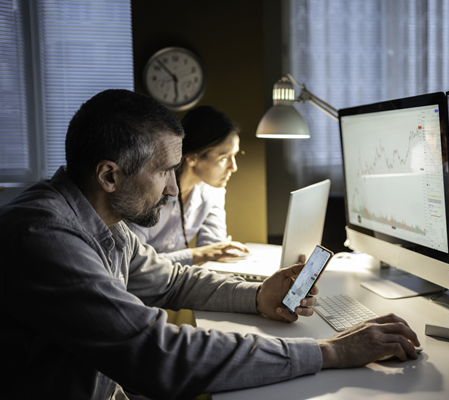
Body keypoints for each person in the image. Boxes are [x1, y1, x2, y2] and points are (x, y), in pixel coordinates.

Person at [0, 89, 420, 400]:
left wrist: (257, 296)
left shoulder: (104, 220)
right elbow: (156, 355)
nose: (171, 190)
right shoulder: (45, 238)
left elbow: (171, 282)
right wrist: (327, 352)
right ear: (109, 175)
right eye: (164, 171)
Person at [127, 106, 248, 266]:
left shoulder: (213, 191)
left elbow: (214, 249)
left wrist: (214, 253)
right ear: (192, 158)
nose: (233, 167)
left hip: (177, 281)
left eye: (235, 155)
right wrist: (199, 254)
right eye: (224, 157)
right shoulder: (149, 192)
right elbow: (134, 263)